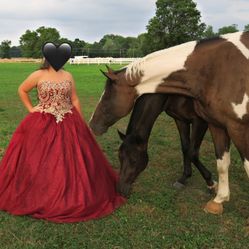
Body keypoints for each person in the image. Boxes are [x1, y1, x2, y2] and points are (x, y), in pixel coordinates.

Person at [0, 58, 126, 223]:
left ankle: (74, 191)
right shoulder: (38, 75)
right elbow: (22, 90)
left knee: (73, 156)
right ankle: (40, 191)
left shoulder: (67, 75)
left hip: (68, 119)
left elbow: (74, 99)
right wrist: (32, 109)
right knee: (38, 157)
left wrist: (80, 121)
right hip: (43, 121)